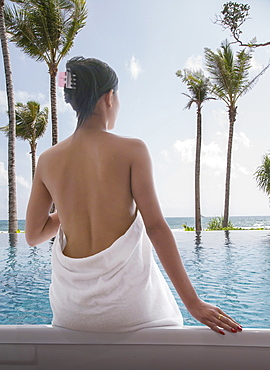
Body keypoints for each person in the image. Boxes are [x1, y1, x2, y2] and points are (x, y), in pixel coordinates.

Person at [26, 56, 242, 334]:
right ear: (109, 98)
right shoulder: (132, 150)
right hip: (130, 312)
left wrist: (69, 209)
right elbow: (156, 226)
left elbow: (33, 235)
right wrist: (193, 302)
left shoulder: (47, 160)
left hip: (72, 315)